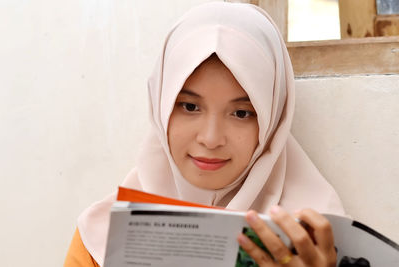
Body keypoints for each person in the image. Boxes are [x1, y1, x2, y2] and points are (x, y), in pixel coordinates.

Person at [64, 2, 345, 266]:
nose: (211, 139)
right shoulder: (100, 241)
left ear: (273, 122)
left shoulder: (318, 242)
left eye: (242, 113)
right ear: (161, 109)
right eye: (189, 106)